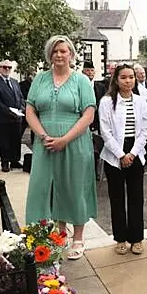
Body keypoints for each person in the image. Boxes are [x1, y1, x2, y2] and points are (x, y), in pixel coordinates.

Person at [25, 36, 97, 259]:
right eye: (55, 51)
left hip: (74, 142)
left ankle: (78, 237)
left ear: (71, 55)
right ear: (49, 54)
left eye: (64, 51)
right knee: (45, 188)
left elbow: (89, 114)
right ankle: (58, 234)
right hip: (44, 143)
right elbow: (30, 111)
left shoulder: (81, 81)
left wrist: (65, 139)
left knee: (73, 187)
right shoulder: (40, 80)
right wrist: (43, 135)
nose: (59, 55)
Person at [98, 64, 147, 255]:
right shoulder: (106, 102)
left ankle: (136, 238)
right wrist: (120, 154)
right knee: (117, 198)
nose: (128, 81)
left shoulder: (141, 101)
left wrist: (132, 153)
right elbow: (105, 131)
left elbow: (144, 130)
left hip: (135, 152)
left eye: (131, 77)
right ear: (116, 80)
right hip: (114, 155)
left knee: (136, 198)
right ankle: (120, 238)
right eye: (124, 77)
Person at [0, 60, 26, 172]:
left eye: (9, 67)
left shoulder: (15, 82)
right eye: (4, 67)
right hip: (3, 118)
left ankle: (15, 160)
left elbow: (20, 97)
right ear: (0, 68)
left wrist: (21, 108)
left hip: (17, 118)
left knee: (16, 140)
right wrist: (9, 111)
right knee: (4, 141)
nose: (7, 69)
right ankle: (5, 162)